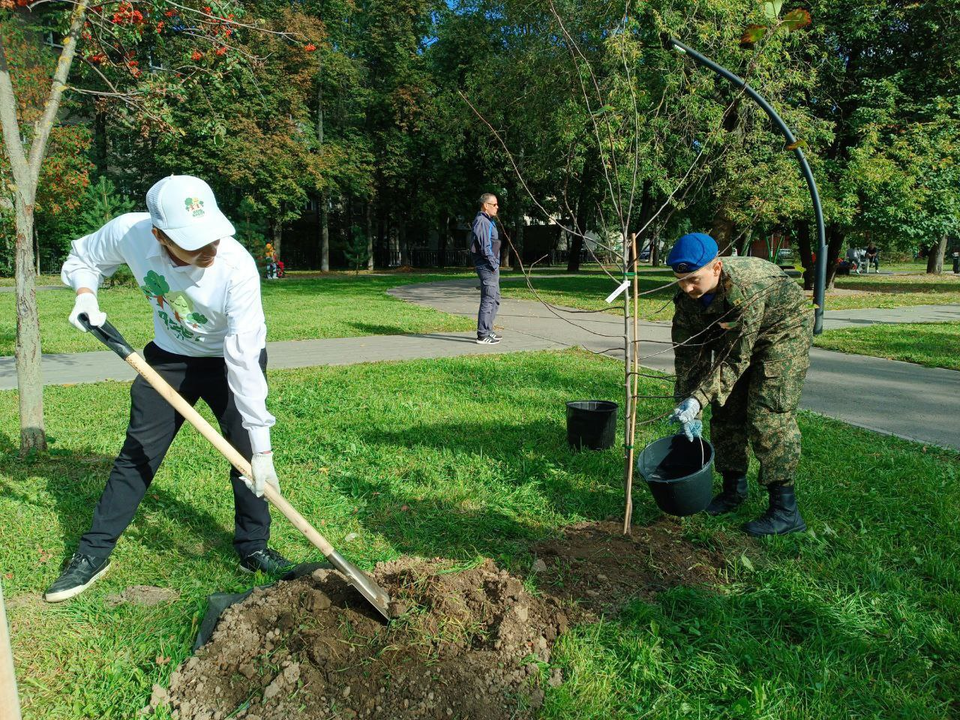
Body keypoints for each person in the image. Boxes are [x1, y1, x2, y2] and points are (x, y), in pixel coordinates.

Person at [44, 175, 292, 603]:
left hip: (228, 360)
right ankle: (93, 553)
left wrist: (263, 449)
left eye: (213, 236)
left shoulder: (236, 268)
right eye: (194, 243)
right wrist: (85, 294)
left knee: (246, 454)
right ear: (160, 235)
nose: (209, 248)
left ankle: (253, 546)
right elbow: (83, 257)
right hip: (168, 359)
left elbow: (245, 360)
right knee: (138, 451)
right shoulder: (131, 232)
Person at [667, 232, 813, 536]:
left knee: (767, 414)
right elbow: (688, 357)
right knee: (726, 407)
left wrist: (699, 397)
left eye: (693, 279)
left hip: (781, 332)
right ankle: (734, 489)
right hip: (733, 334)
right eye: (679, 279)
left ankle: (786, 511)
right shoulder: (686, 299)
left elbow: (735, 359)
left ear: (716, 268)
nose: (686, 286)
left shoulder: (746, 290)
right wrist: (688, 403)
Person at [469, 193, 502, 345]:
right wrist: (493, 264)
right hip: (487, 266)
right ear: (485, 205)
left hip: (490, 265)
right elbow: (484, 246)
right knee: (488, 300)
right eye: (494, 204)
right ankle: (482, 334)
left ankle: (488, 330)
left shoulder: (488, 221)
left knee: (495, 299)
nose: (497, 207)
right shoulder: (482, 221)